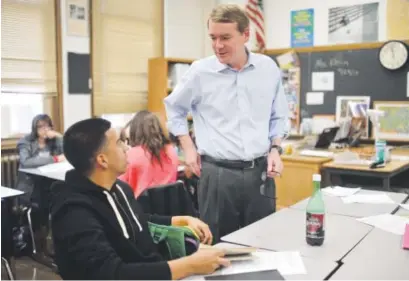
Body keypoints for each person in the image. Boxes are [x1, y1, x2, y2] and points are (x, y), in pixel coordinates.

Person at [164, 4, 290, 243]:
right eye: (213, 38)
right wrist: (188, 147)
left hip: (260, 173)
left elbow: (278, 116)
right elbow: (174, 108)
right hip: (217, 175)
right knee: (220, 245)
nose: (218, 45)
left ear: (246, 35)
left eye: (225, 37)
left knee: (263, 243)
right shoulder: (200, 72)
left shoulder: (267, 68)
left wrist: (275, 150)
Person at [51, 118, 229, 280]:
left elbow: (136, 221)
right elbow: (111, 274)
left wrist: (180, 220)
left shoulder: (119, 188)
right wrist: (191, 265)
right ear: (102, 160)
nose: (127, 148)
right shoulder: (74, 212)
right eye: (120, 142)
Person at [16, 114, 65, 261]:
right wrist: (54, 159)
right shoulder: (25, 142)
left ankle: (49, 246)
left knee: (58, 205)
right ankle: (38, 249)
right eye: (41, 126)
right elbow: (26, 162)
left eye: (47, 126)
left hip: (48, 184)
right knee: (40, 209)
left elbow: (64, 154)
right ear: (34, 128)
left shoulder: (52, 142)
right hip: (30, 187)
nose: (44, 130)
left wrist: (59, 136)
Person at [119, 110, 179, 198]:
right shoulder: (171, 151)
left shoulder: (130, 155)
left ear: (135, 130)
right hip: (170, 207)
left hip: (139, 209)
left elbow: (119, 186)